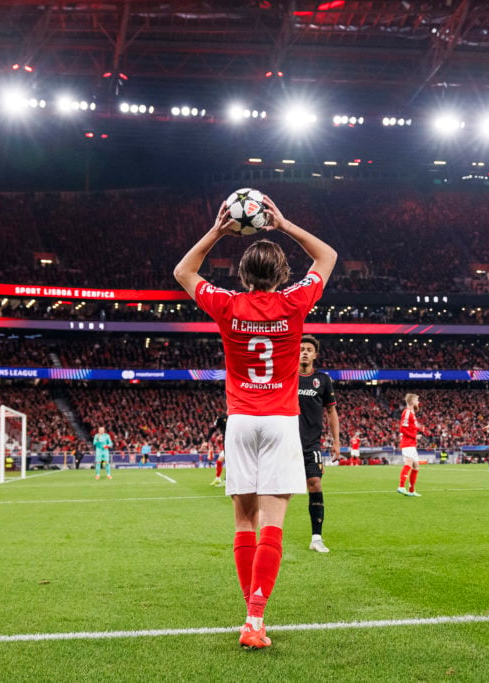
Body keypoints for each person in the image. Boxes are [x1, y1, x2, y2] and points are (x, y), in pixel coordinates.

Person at [174, 194, 336, 650]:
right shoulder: (294, 302)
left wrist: (218, 231)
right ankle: (255, 618)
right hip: (282, 421)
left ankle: (250, 619)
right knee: (273, 524)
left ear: (243, 276)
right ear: (282, 275)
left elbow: (183, 273)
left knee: (244, 523)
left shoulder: (227, 305)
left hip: (240, 420)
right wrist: (283, 224)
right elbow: (327, 255)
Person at [297, 334, 340, 553]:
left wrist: (336, 442)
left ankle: (316, 538)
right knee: (273, 490)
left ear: (315, 354)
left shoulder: (323, 380)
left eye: (308, 349)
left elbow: (332, 411)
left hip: (311, 445)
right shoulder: (286, 377)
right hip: (283, 444)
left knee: (315, 483)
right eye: (301, 348)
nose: (304, 352)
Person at [396, 393, 424, 497]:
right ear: (412, 402)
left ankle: (411, 490)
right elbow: (402, 428)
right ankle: (401, 486)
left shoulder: (412, 413)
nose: (418, 402)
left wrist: (418, 430)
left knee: (416, 466)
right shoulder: (407, 412)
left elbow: (410, 427)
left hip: (411, 443)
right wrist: (414, 436)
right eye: (417, 400)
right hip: (408, 443)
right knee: (409, 462)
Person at [209, 412, 228, 486]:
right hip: (226, 446)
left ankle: (227, 480)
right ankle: (218, 479)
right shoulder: (222, 426)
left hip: (232, 446)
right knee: (219, 461)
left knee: (229, 464)